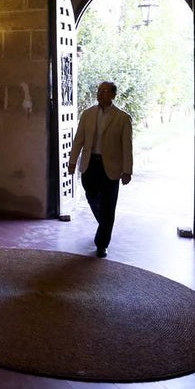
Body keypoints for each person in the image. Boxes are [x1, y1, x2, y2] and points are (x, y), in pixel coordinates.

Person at [67, 81, 133, 258]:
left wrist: (127, 170)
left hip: (111, 167)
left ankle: (102, 243)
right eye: (99, 91)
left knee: (109, 205)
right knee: (91, 195)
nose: (100, 94)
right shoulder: (87, 114)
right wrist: (72, 161)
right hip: (90, 164)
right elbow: (78, 139)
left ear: (113, 95)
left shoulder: (122, 118)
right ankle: (104, 222)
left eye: (104, 91)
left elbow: (127, 146)